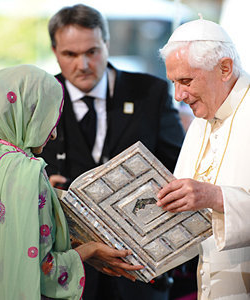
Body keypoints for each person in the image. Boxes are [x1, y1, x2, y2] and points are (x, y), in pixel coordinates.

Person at [40, 4, 185, 300]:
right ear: (55, 51)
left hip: (139, 270)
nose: (83, 64)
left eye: (92, 51)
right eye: (70, 54)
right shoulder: (40, 100)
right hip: (68, 273)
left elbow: (180, 169)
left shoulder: (151, 92)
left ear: (107, 45)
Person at [0, 64, 144, 300]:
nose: (52, 134)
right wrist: (90, 249)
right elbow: (43, 270)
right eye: (45, 117)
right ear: (25, 113)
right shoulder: (27, 173)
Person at [157, 17, 250, 299]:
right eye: (173, 82)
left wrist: (217, 198)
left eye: (185, 81)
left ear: (224, 68)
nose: (178, 96)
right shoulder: (201, 120)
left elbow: (210, 197)